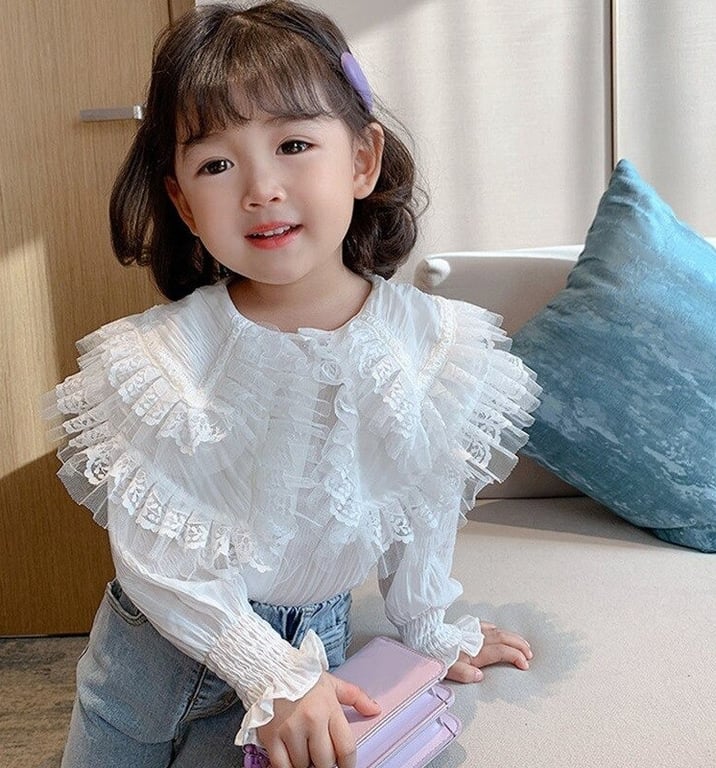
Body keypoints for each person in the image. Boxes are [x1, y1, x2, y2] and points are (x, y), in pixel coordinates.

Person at [46, 2, 540, 767]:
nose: (260, 188)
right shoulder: (166, 358)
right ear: (183, 201)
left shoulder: (431, 347)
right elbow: (155, 558)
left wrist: (430, 628)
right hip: (155, 660)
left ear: (362, 160)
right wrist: (266, 672)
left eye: (294, 144)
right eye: (216, 164)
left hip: (315, 651)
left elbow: (419, 501)